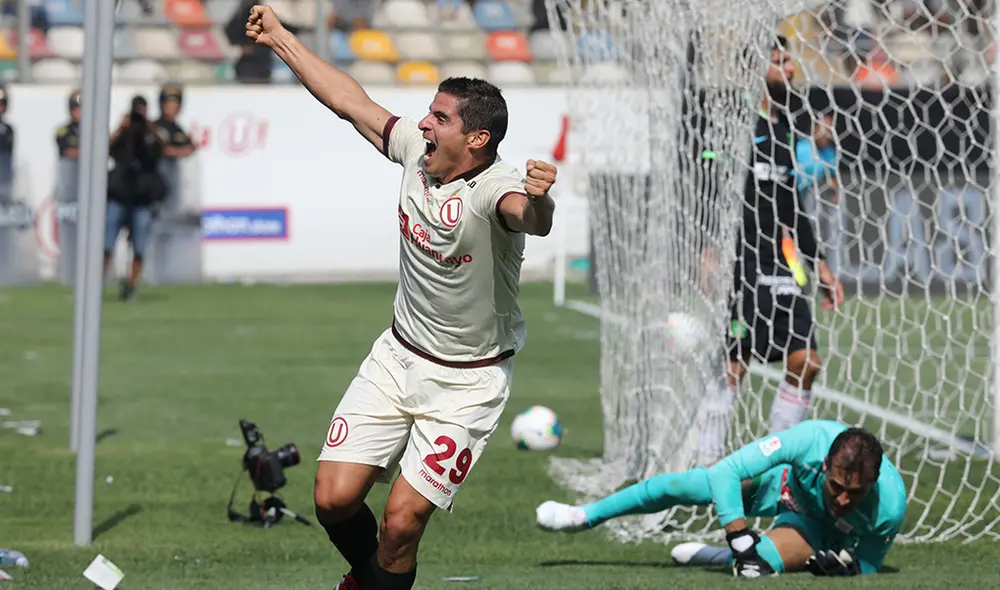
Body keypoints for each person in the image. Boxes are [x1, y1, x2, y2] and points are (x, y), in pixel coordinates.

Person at [245, 6, 558, 590]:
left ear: (477, 139)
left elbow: (529, 218)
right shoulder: (418, 150)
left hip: (468, 384)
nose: (424, 123)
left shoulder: (495, 188)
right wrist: (281, 38)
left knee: (401, 522)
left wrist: (542, 200)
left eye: (440, 117)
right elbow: (349, 101)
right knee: (332, 498)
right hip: (397, 357)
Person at [697, 37, 845, 464]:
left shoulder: (785, 128)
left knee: (806, 361)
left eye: (789, 60)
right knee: (735, 364)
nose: (790, 69)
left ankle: (774, 462)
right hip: (740, 258)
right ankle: (706, 461)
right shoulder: (735, 124)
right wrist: (709, 249)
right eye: (779, 61)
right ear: (754, 69)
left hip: (778, 261)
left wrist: (819, 264)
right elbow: (711, 189)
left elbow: (791, 205)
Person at [536, 420, 907, 578]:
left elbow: (869, 564)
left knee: (763, 564)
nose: (843, 499)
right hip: (781, 485)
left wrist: (847, 570)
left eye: (855, 493)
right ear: (824, 464)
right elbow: (725, 472)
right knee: (685, 486)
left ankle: (718, 556)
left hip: (814, 530)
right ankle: (583, 515)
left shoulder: (890, 507)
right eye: (836, 485)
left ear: (873, 483)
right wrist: (740, 539)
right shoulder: (809, 438)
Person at [104, 95, 168, 301]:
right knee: (106, 244)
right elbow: (106, 148)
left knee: (139, 247)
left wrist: (149, 127)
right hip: (119, 196)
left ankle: (132, 284)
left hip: (142, 198)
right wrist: (121, 127)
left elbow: (163, 148)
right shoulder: (124, 134)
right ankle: (97, 284)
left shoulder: (151, 134)